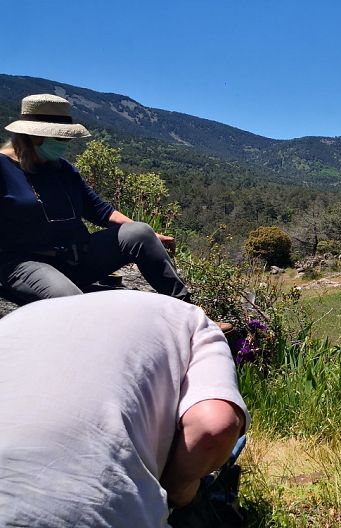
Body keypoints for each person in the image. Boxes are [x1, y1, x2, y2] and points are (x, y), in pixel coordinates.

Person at [0, 290, 249, 527]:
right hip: (100, 509)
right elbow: (214, 427)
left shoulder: (19, 318)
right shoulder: (193, 320)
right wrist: (178, 493)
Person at [0, 93, 190, 304]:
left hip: (78, 258)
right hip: (27, 263)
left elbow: (102, 212)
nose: (66, 143)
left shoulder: (63, 170)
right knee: (71, 300)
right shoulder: (3, 168)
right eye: (61, 137)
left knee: (140, 232)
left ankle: (186, 309)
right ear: (34, 136)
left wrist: (153, 236)